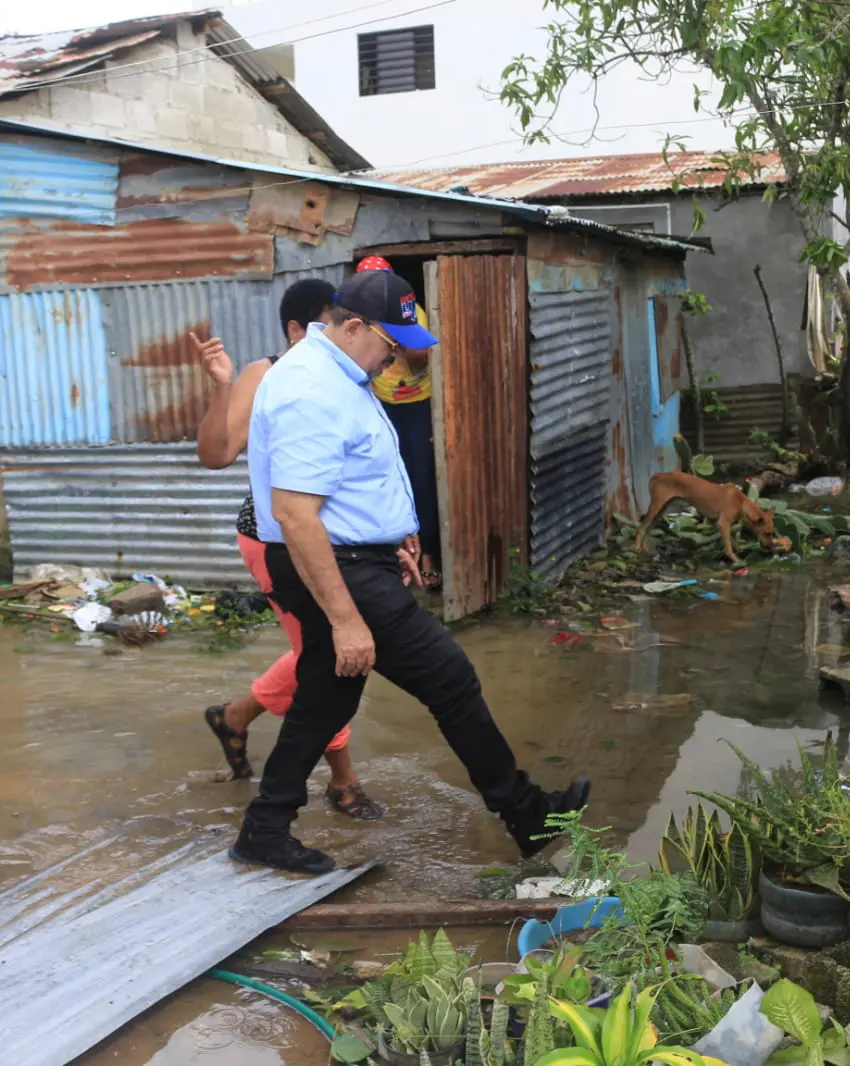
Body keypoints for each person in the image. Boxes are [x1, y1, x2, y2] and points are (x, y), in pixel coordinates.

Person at [232, 268, 590, 875]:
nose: (393, 361)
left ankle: (265, 827)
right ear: (351, 327)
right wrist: (346, 618)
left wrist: (391, 534)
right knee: (450, 679)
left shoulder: (342, 373)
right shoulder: (308, 386)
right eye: (389, 346)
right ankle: (526, 813)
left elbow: (350, 477)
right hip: (335, 567)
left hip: (355, 558)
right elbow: (295, 513)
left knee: (324, 701)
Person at [194, 279, 384, 819]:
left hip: (336, 541)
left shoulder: (350, 379)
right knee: (325, 656)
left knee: (323, 650)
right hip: (275, 538)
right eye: (324, 330)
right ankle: (342, 783)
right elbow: (216, 454)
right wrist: (222, 387)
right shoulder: (268, 374)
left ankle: (234, 717)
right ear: (297, 331)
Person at [358, 256, 442, 588]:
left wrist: (397, 336)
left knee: (421, 481)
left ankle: (431, 556)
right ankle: (396, 562)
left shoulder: (411, 313)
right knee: (388, 482)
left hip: (417, 404)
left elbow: (422, 361)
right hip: (381, 405)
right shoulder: (357, 321)